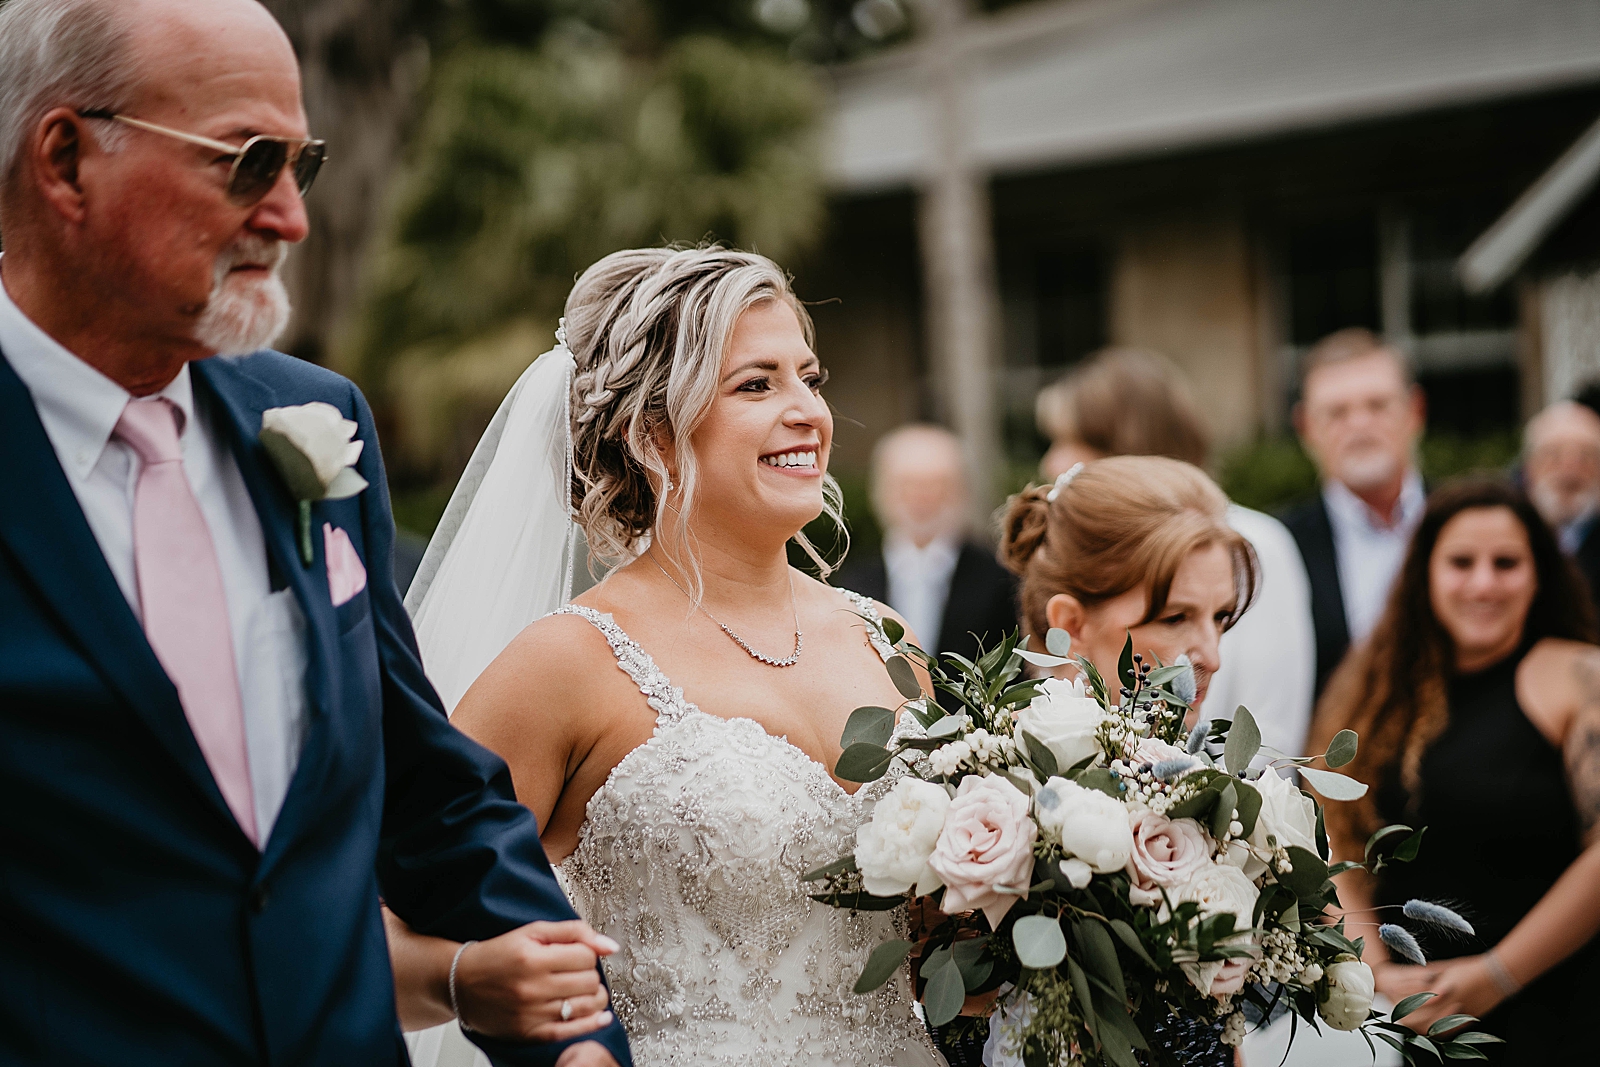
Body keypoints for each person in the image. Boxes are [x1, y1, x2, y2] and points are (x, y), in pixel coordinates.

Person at [0, 1, 627, 1064]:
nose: (290, 217)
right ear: (65, 159)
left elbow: (424, 784)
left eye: (304, 165)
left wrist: (574, 1037)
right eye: (246, 163)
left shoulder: (314, 422)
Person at [407, 245, 944, 1067]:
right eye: (756, 384)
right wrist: (484, 988)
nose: (807, 410)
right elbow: (391, 920)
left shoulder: (888, 640)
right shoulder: (570, 661)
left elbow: (935, 949)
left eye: (810, 376)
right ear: (652, 431)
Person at [1309, 479, 1600, 1065]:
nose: (1483, 583)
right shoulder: (1377, 689)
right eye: (1461, 562)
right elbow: (1337, 833)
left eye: (1507, 563)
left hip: (1562, 1013)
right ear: (1425, 575)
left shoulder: (1575, 676)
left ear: (1539, 573)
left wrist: (1498, 975)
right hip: (1427, 1029)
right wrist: (1374, 968)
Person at [997, 454, 1260, 1067]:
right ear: (1070, 622)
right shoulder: (992, 796)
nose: (1211, 655)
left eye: (1220, 617)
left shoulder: (1207, 783)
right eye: (1176, 618)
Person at [1036, 348, 1316, 763]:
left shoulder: (1252, 544)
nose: (1053, 460)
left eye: (1073, 441)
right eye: (1175, 616)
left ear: (1129, 447)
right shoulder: (1070, 560)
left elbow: (1270, 732)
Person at [1283, 328, 1427, 701]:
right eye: (1337, 412)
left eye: (1377, 405)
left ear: (1415, 411)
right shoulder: (1279, 547)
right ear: (1306, 427)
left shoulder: (1473, 524)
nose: (1360, 425)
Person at [837, 423, 1018, 671]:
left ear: (962, 491)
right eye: (907, 485)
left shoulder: (1001, 581)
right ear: (881, 491)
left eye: (938, 485)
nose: (922, 498)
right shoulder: (851, 583)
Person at [1523, 400, 1600, 606]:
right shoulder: (1511, 532)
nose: (1570, 469)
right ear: (1530, 467)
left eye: (1586, 456)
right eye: (1553, 455)